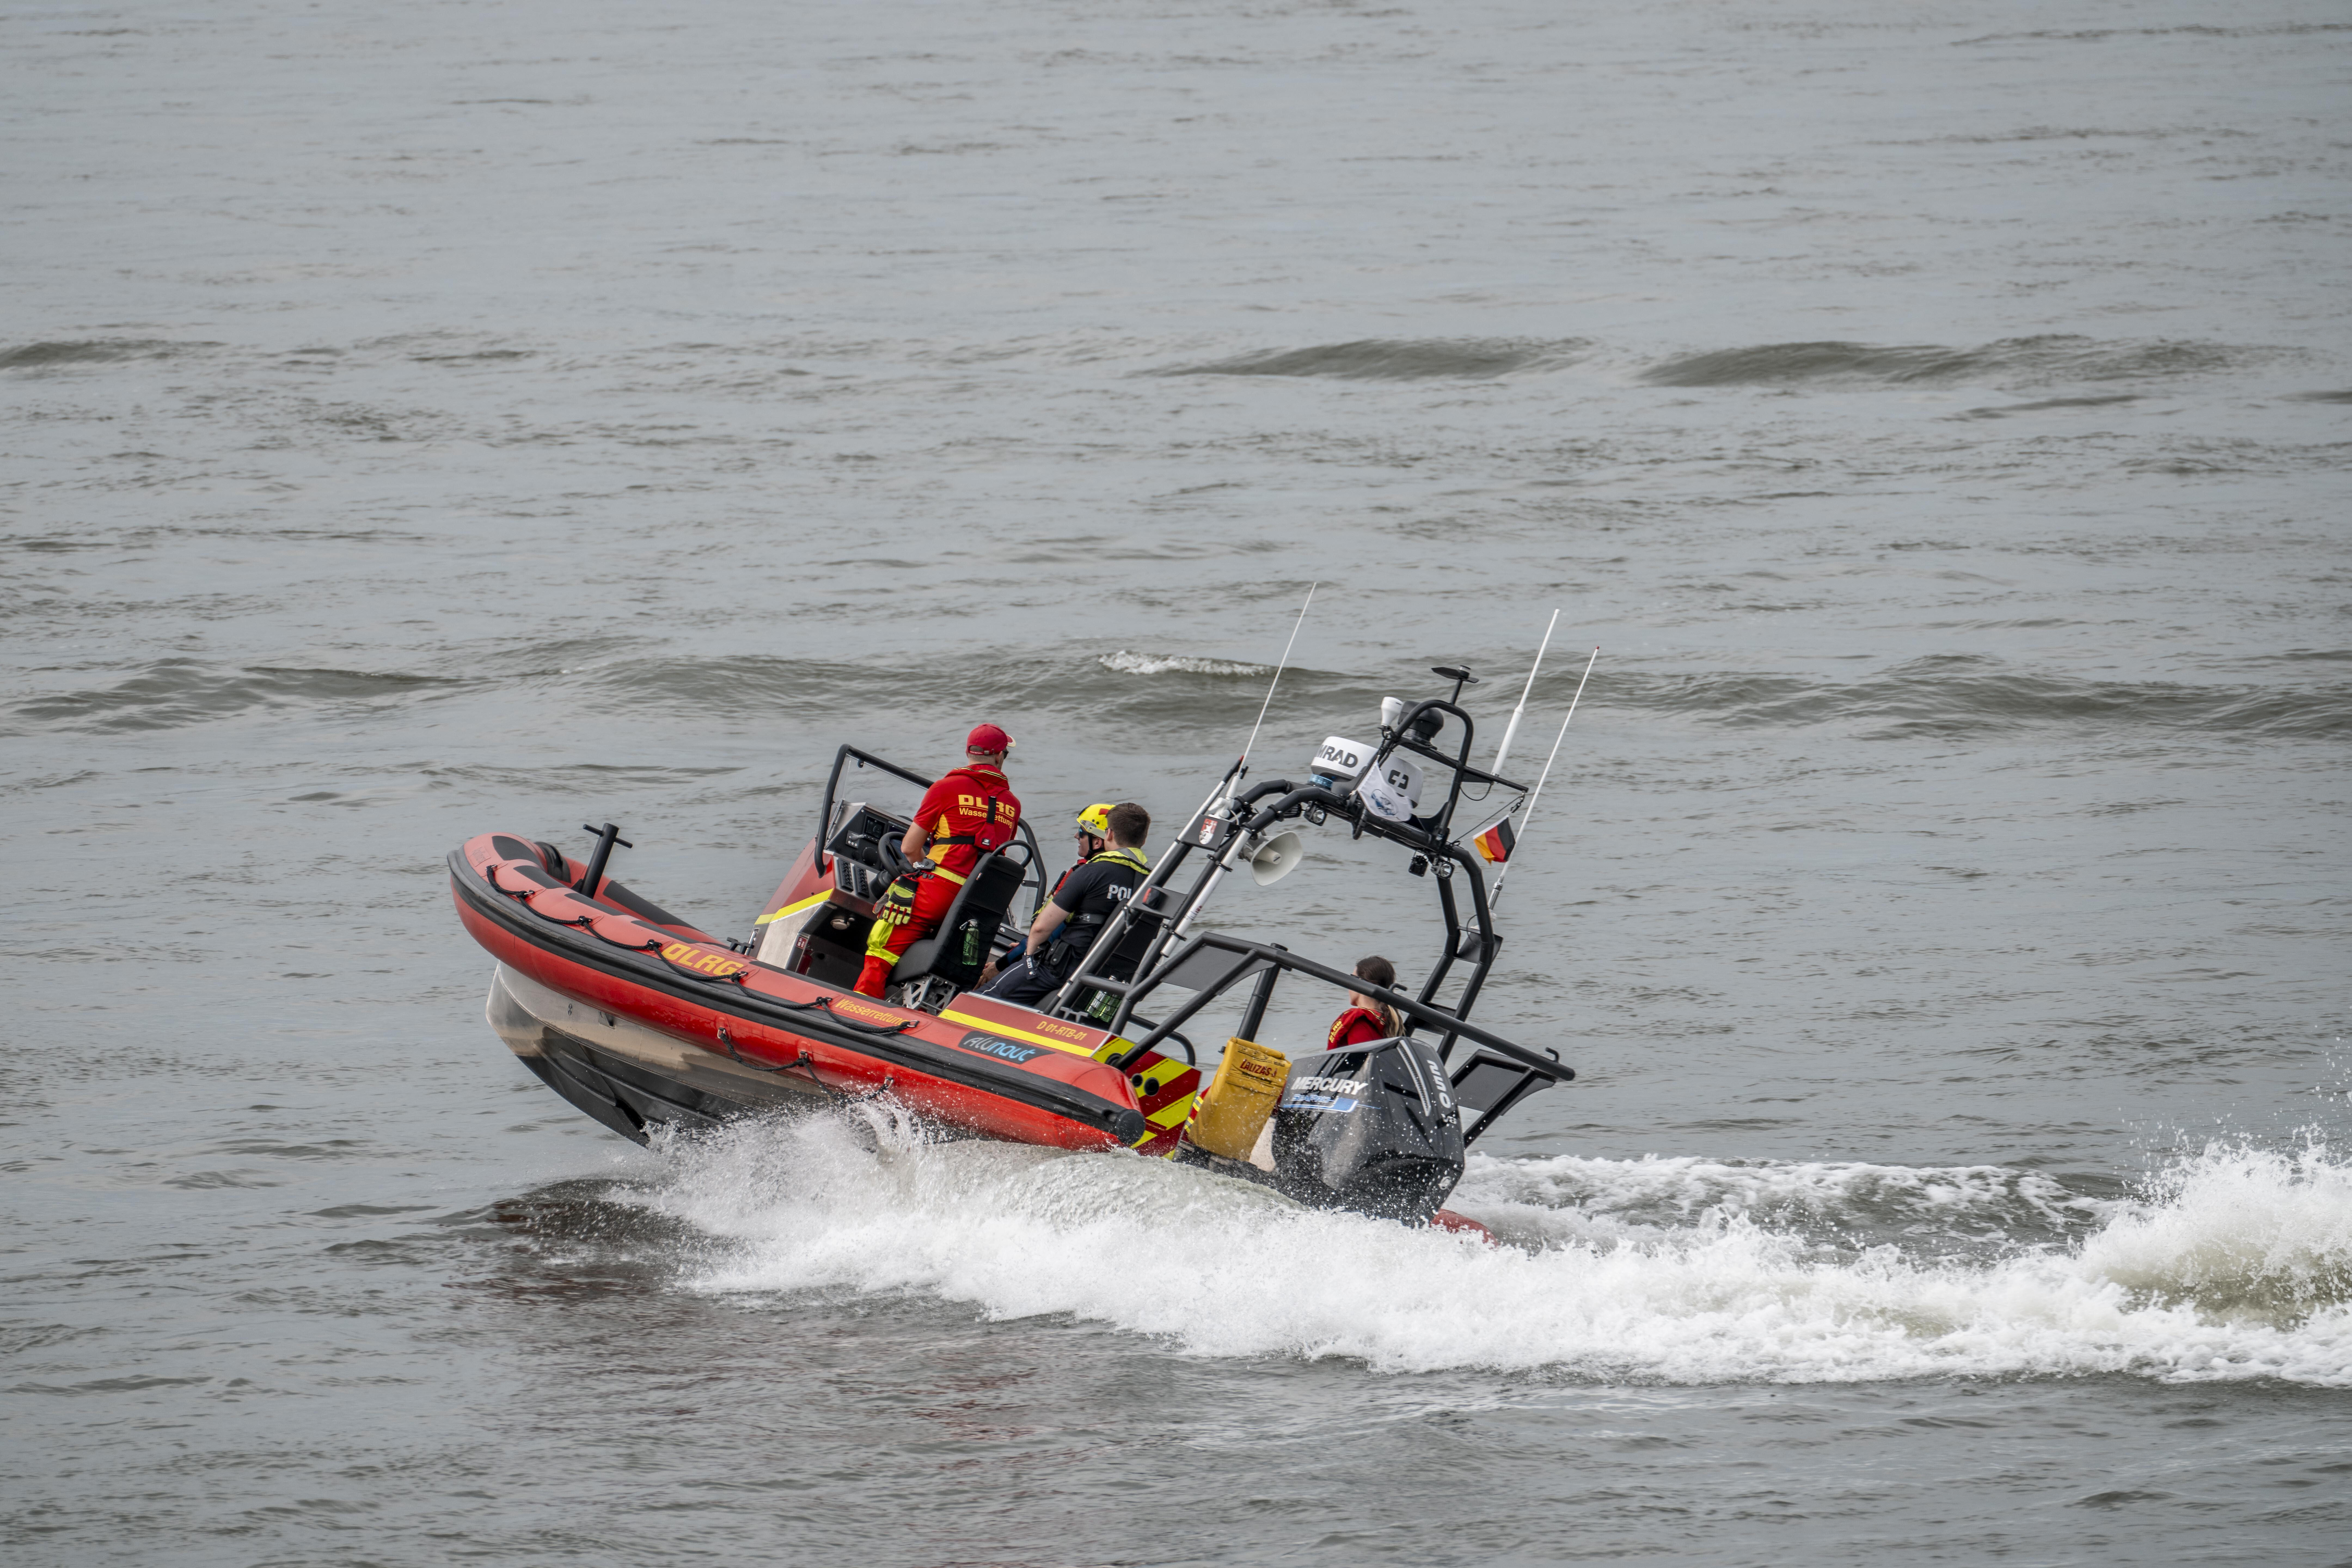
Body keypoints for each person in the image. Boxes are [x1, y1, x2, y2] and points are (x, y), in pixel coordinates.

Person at [854, 724, 1023, 998]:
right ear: (999, 757)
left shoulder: (945, 789)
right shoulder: (1012, 805)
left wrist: (926, 871)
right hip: (974, 905)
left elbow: (910, 849)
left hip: (937, 893)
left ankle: (861, 1009)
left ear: (969, 753)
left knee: (880, 949)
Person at [978, 801, 1152, 1009]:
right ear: (1144, 838)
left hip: (1061, 971)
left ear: (1109, 834)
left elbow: (1043, 927)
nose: (1077, 837)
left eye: (1081, 832)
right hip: (1106, 980)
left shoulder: (1093, 871)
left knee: (977, 1001)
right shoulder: (1152, 883)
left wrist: (1029, 956)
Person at [1327, 955, 1405, 1048]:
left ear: (1359, 982)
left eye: (1351, 979)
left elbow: (1361, 1061)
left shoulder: (1360, 1023)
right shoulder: (1387, 1022)